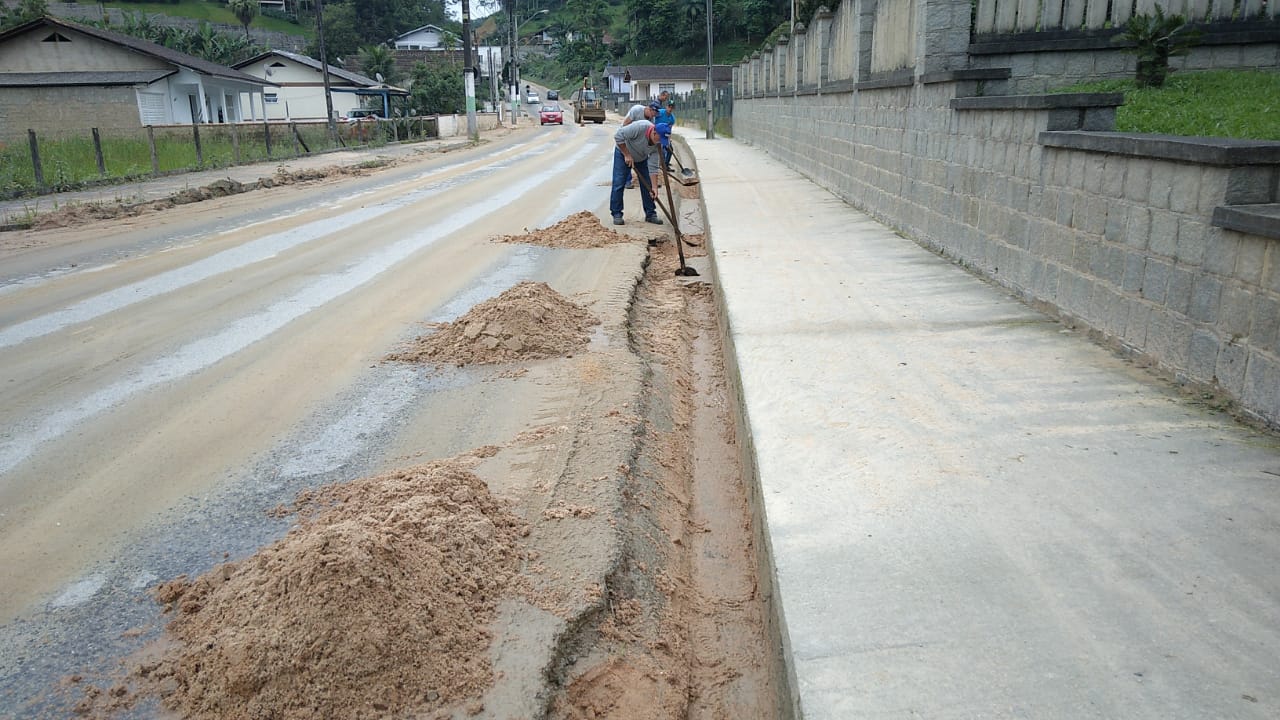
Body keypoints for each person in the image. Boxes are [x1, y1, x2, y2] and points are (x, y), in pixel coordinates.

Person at [611, 120, 664, 226]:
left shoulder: (658, 145)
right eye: (660, 139)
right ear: (654, 133)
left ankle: (650, 214)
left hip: (641, 158)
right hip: (623, 154)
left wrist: (654, 187)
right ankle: (617, 214)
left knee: (647, 185)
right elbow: (618, 136)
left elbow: (653, 168)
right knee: (619, 183)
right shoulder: (640, 127)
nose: (660, 142)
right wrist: (626, 154)